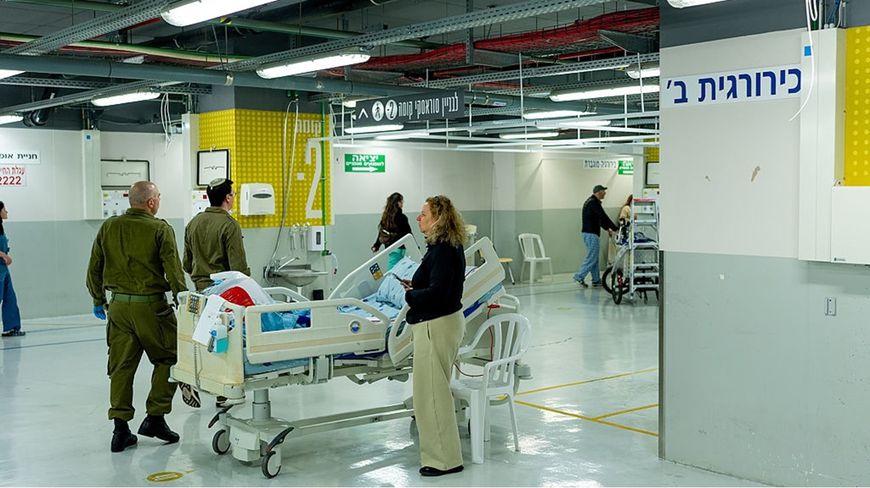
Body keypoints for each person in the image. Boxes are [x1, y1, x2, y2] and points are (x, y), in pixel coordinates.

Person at [86, 181, 187, 453]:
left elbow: (94, 267)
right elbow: (173, 270)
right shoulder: (160, 229)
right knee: (171, 357)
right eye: (159, 197)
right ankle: (155, 417)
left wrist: (98, 299)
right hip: (152, 308)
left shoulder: (109, 227)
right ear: (151, 202)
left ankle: (120, 429)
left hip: (118, 308)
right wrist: (183, 299)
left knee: (121, 367)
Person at [402, 195, 466, 477]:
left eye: (424, 214)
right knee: (433, 393)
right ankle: (444, 456)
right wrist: (417, 286)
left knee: (431, 396)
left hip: (435, 325)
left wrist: (410, 295)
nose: (419, 218)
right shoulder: (446, 247)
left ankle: (444, 461)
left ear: (438, 218)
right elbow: (440, 285)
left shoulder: (442, 251)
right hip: (441, 323)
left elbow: (438, 293)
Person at [182, 177, 250, 408]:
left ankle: (193, 377)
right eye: (233, 194)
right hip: (224, 293)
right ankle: (223, 392)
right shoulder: (229, 225)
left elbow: (186, 263)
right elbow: (237, 269)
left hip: (200, 290)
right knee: (226, 341)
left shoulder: (193, 223)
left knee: (204, 335)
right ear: (228, 198)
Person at [574, 184, 618, 287]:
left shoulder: (591, 202)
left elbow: (599, 219)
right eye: (604, 191)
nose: (605, 193)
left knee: (594, 257)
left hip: (589, 233)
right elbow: (603, 216)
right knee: (592, 257)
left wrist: (608, 228)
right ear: (599, 192)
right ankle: (579, 276)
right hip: (591, 234)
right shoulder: (593, 203)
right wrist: (615, 228)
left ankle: (596, 279)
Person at [371, 192, 413, 269]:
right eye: (401, 201)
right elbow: (409, 234)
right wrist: (415, 246)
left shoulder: (386, 217)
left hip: (391, 248)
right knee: (395, 271)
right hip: (400, 248)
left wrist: (376, 246)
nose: (402, 204)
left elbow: (382, 233)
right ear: (398, 203)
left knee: (393, 270)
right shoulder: (402, 217)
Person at [0, 202, 23, 338]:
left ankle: (11, 327)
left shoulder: (1, 228)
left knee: (10, 298)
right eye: (4, 209)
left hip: (3, 269)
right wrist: (3, 255)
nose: (6, 212)